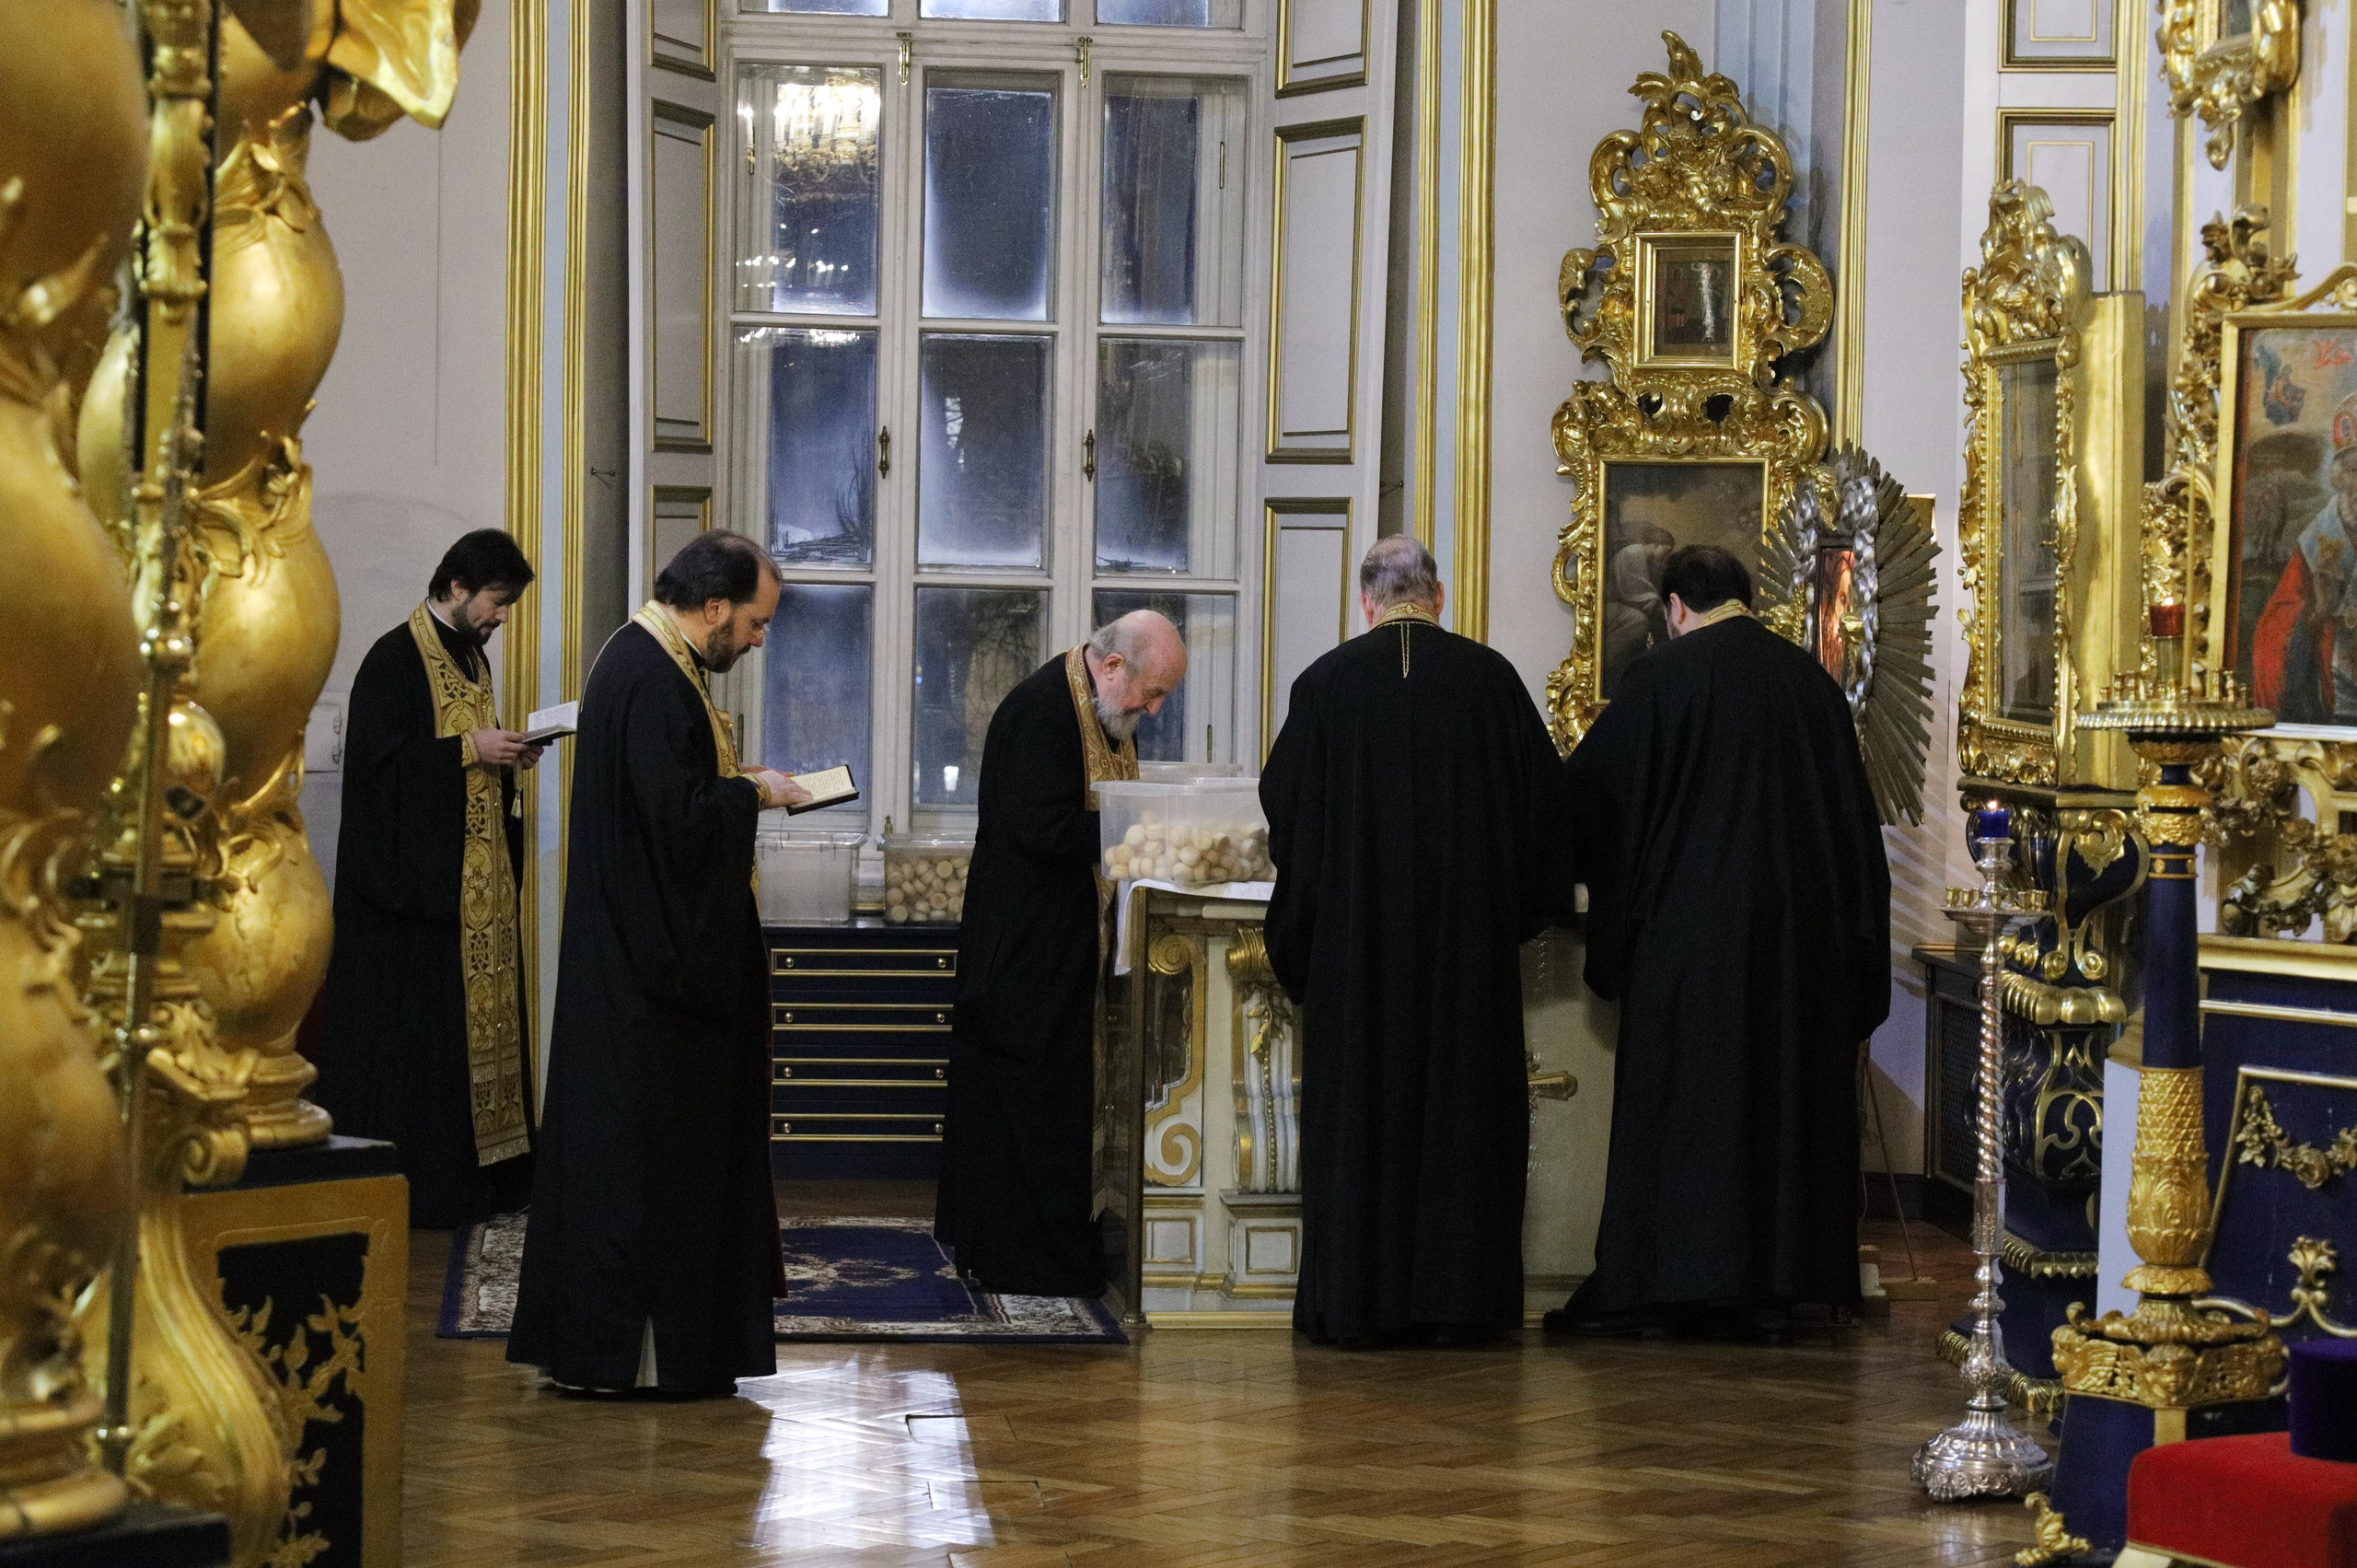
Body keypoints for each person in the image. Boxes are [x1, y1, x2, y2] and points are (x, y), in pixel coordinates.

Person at [1547, 544, 1889, 1342]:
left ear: (1674, 608)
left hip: (1686, 945)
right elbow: (1853, 838)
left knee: (1685, 1112)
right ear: (1745, 595)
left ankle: (1667, 1284)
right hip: (1796, 954)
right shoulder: (1814, 688)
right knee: (1780, 1108)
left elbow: (1588, 801)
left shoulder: (1660, 679)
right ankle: (1778, 1287)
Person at [508, 531, 810, 1396]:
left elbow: (667, 797)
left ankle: (644, 1352)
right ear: (713, 607)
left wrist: (739, 781)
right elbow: (678, 827)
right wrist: (755, 792)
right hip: (650, 985)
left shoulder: (652, 661)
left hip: (633, 965)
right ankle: (635, 1358)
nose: (757, 640)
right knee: (644, 1171)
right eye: (754, 622)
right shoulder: (651, 675)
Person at [1259, 536, 1574, 1348]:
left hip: (1356, 966)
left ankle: (1356, 1303)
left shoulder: (1324, 686)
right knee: (1463, 1118)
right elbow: (1549, 817)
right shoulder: (1492, 683)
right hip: (1463, 966)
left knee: (1362, 1120)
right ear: (1439, 595)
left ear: (1367, 602)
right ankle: (1460, 1303)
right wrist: (1507, 914)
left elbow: (1285, 814)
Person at [935, 610, 1190, 1296]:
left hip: (1063, 946)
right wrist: (1142, 829)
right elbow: (1043, 828)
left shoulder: (1099, 710)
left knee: (1060, 1103)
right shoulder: (1040, 711)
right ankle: (1025, 1260)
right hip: (1023, 951)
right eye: (1153, 691)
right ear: (1113, 668)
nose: (1155, 708)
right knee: (1030, 1105)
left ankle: (1058, 1248)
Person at [315, 528, 545, 1228]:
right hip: (411, 908)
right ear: (456, 587)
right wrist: (468, 750)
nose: (503, 617)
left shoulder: (473, 658)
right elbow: (379, 775)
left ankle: (490, 1182)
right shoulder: (393, 659)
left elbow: (463, 755)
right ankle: (427, 1191)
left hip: (469, 899)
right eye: (498, 602)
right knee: (421, 1059)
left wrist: (503, 756)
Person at [2252, 399, 2357, 722]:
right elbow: (2277, 623)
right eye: (2355, 471)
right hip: (2338, 683)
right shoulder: (2318, 538)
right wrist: (2317, 612)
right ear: (2340, 477)